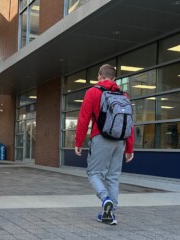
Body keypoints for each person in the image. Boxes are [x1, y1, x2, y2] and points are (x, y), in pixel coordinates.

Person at [74, 64, 134, 225]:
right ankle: (110, 215)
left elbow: (83, 119)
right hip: (120, 141)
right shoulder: (124, 95)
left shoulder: (93, 92)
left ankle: (105, 198)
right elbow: (130, 123)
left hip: (100, 138)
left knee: (94, 173)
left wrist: (78, 142)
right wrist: (129, 148)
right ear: (114, 78)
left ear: (99, 77)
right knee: (113, 177)